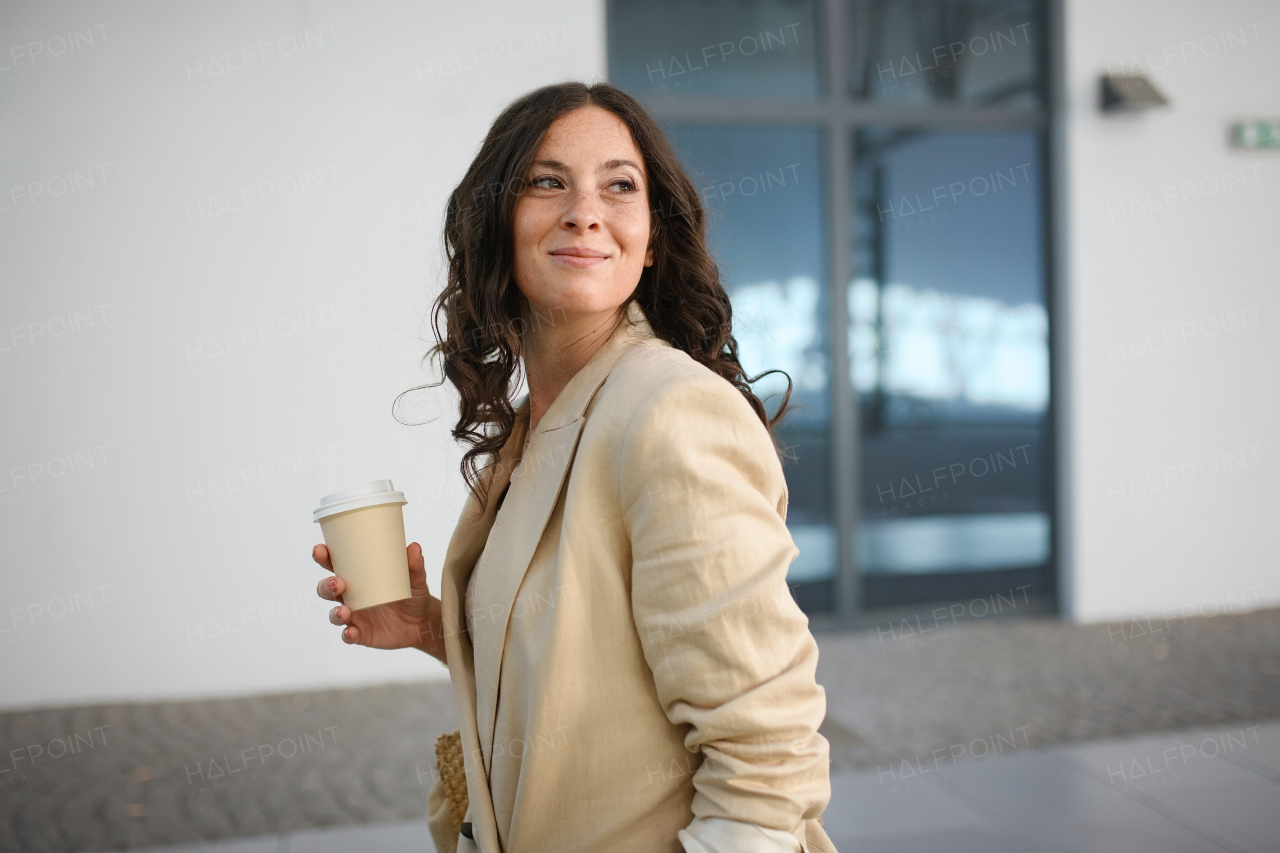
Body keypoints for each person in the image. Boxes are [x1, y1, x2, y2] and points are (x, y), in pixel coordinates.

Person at [313, 81, 835, 853]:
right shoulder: (545, 421)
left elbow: (767, 755)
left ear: (651, 237)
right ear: (499, 221)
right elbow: (582, 658)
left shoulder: (668, 411)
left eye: (620, 186)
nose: (586, 210)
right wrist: (437, 628)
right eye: (547, 181)